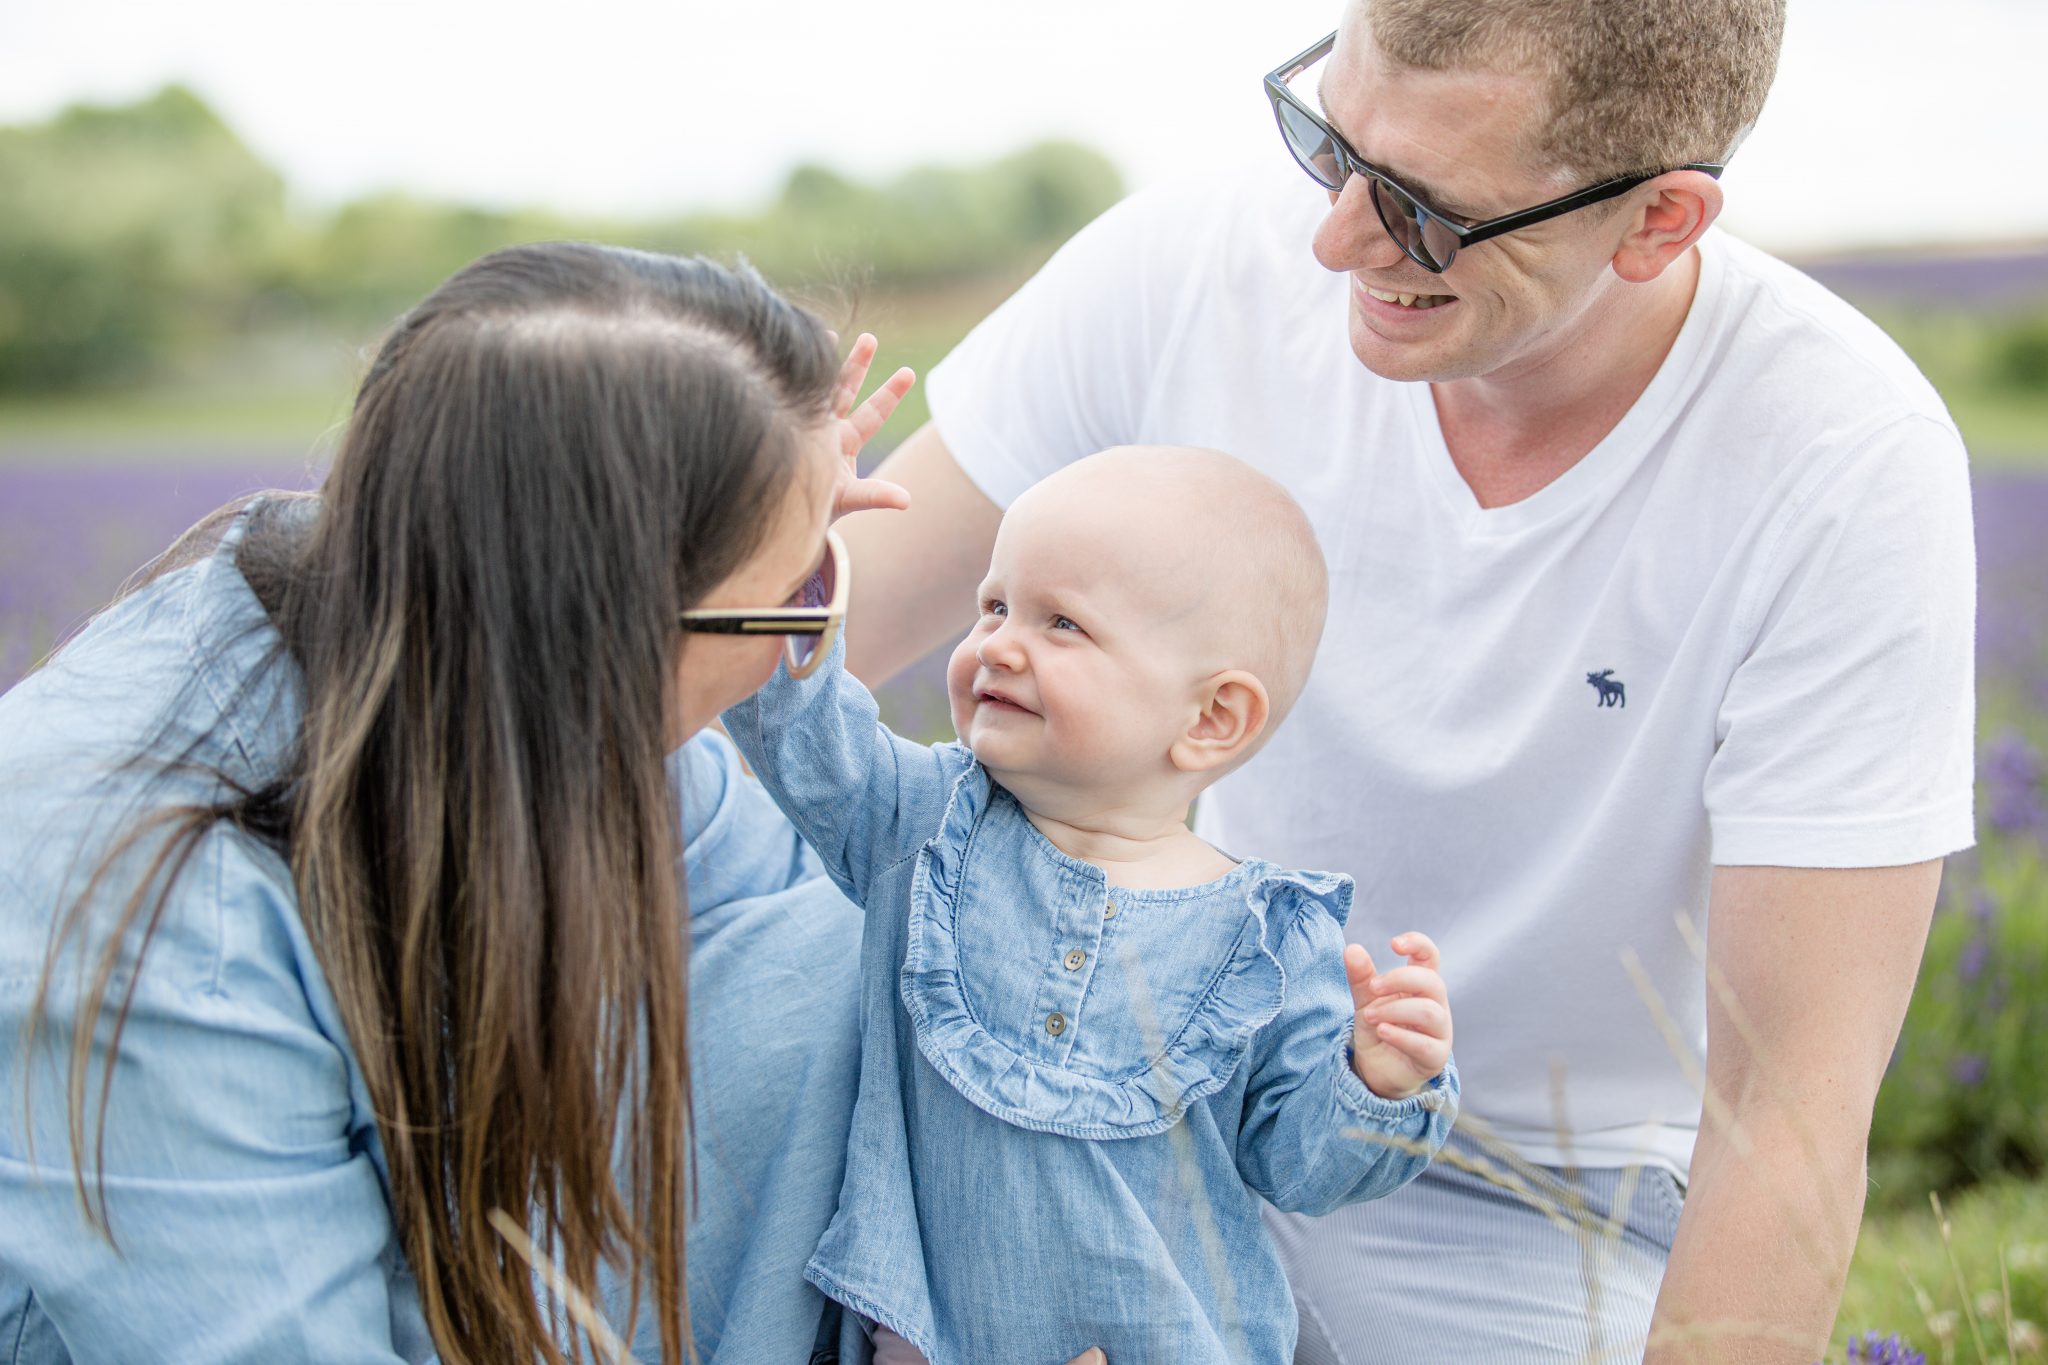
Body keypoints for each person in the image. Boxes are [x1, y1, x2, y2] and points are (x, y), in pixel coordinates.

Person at [836, 1, 1978, 1360]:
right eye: (1327, 140)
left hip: (1545, 1202)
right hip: (1162, 1104)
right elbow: (791, 642)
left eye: (1427, 211)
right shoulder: (1194, 261)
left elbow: (1785, 1110)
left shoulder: (1842, 458)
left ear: (1658, 221)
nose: (1334, 240)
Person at [0, 242, 905, 1363]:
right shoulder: (160, 926)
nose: (797, 656)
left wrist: (776, 504)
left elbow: (815, 923)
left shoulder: (452, 613)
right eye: (793, 609)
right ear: (599, 631)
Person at [723, 444, 1458, 1364]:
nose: (996, 642)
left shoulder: (1264, 940)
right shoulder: (921, 824)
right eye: (993, 605)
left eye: (1061, 622)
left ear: (1211, 718)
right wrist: (786, 553)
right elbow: (794, 728)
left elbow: (1304, 1165)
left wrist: (1377, 1081)